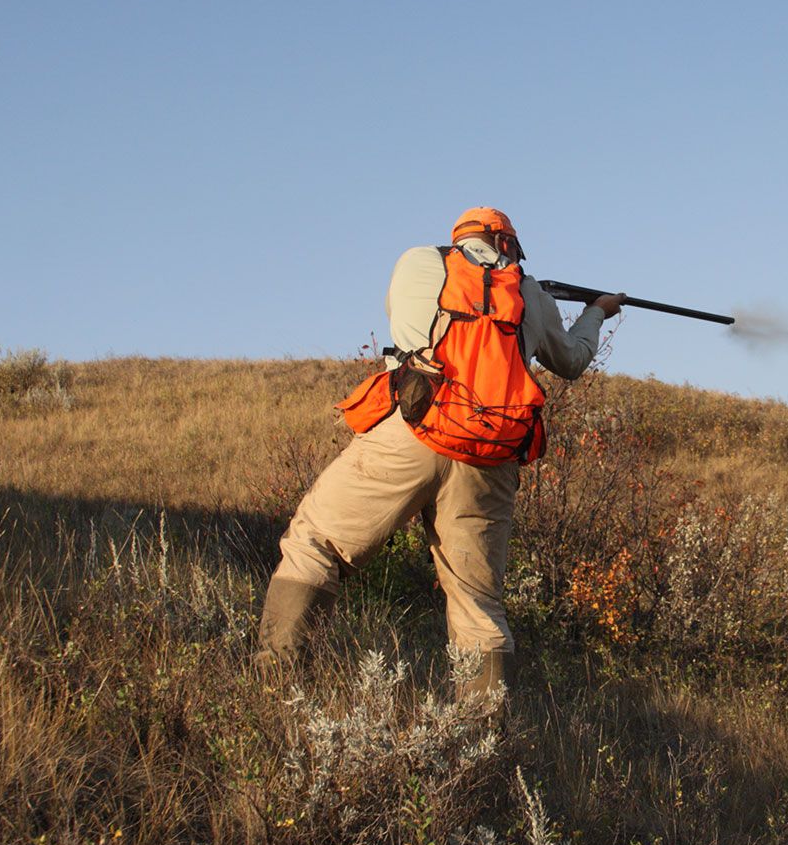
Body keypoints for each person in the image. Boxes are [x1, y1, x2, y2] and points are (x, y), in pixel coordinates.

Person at [254, 207, 623, 702]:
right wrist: (596, 311)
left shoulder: (416, 262)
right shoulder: (531, 294)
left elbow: (402, 321)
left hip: (411, 429)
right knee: (477, 603)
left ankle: (277, 687)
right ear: (508, 244)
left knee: (314, 542)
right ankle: (480, 734)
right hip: (488, 457)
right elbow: (573, 361)